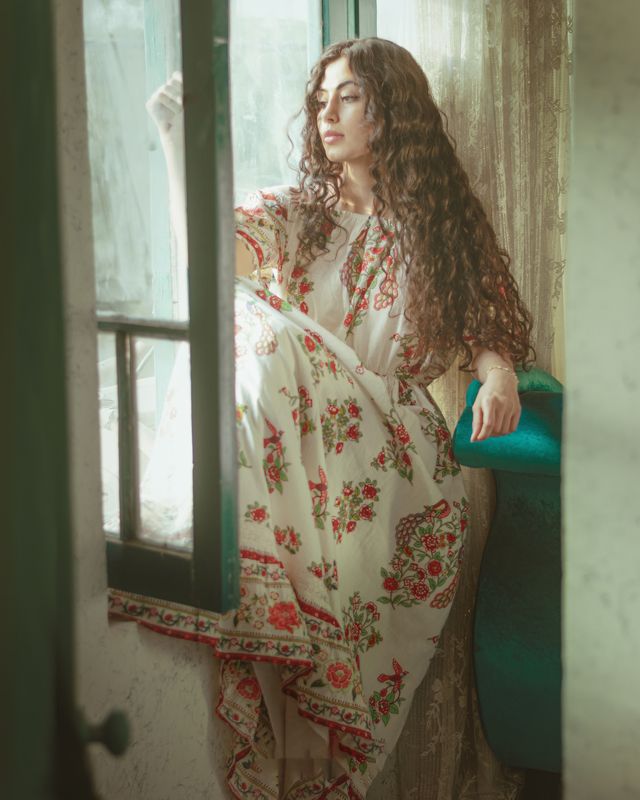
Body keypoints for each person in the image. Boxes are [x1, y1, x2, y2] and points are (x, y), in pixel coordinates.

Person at [135, 36, 534, 799]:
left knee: (261, 327)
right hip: (313, 435)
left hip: (398, 450)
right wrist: (178, 148)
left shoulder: (439, 224)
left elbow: (485, 330)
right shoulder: (298, 215)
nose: (327, 114)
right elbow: (207, 270)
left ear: (393, 108)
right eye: (320, 99)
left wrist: (499, 376)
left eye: (348, 96)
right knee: (244, 314)